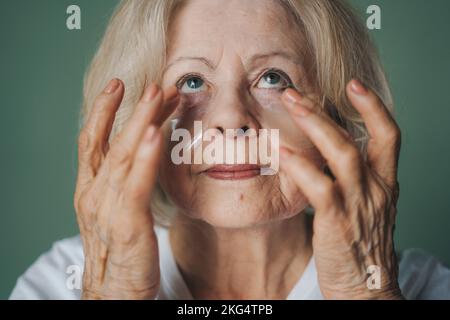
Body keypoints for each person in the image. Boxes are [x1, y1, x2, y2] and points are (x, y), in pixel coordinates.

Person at [10, 0, 450, 300]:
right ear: (137, 123)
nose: (233, 119)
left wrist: (366, 292)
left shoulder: (421, 285)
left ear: (335, 114)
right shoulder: (61, 282)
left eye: (273, 77)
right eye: (192, 82)